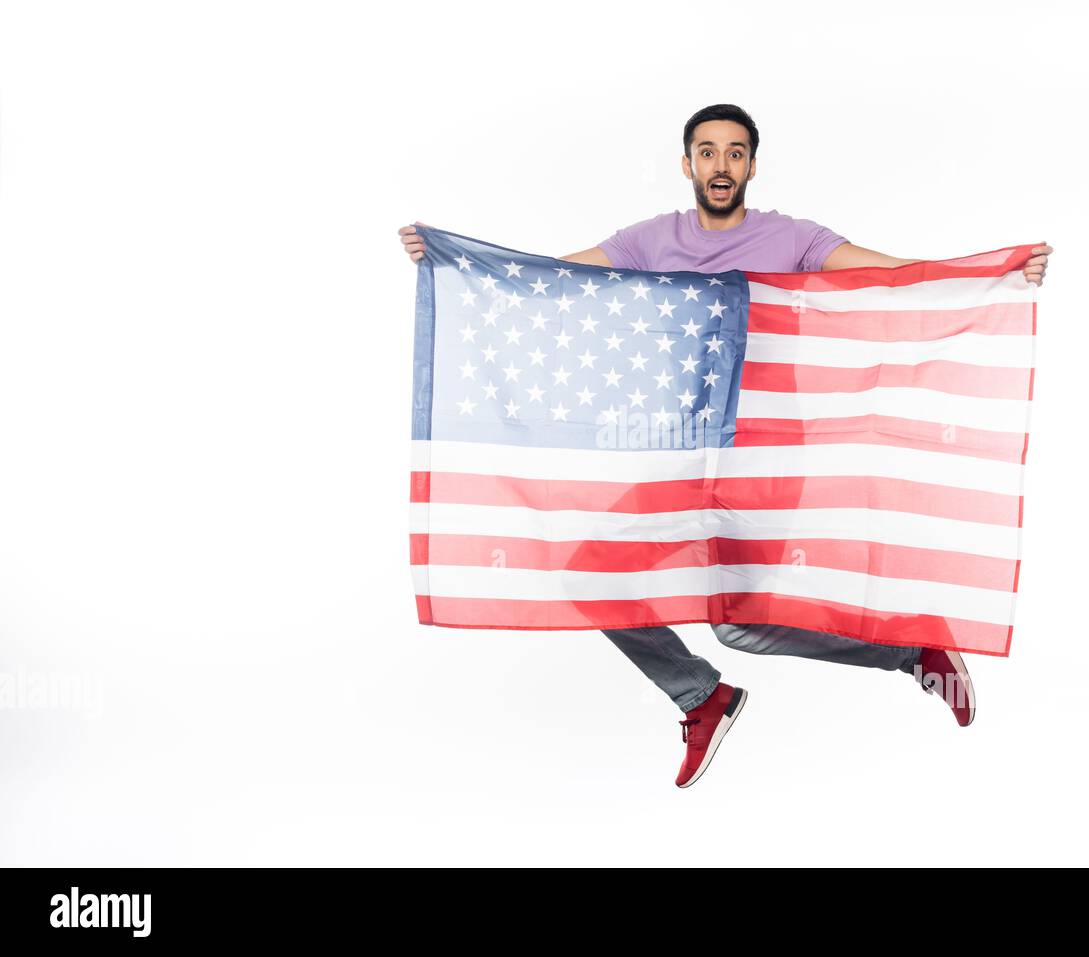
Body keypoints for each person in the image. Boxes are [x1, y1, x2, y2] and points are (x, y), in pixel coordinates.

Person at [398, 103, 1053, 788]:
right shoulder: (653, 241)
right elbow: (552, 279)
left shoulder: (791, 237)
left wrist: (994, 273)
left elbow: (890, 274)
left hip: (768, 458)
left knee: (739, 624)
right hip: (687, 450)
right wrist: (453, 262)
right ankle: (703, 695)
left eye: (735, 153)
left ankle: (913, 651)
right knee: (593, 572)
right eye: (707, 152)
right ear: (688, 165)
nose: (720, 165)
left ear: (751, 166)